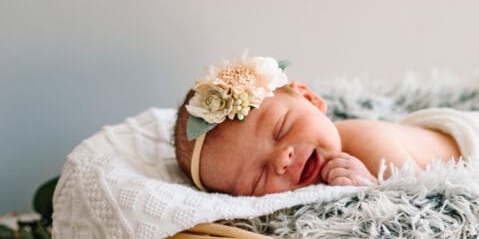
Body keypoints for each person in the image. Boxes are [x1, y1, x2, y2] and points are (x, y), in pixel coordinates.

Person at [173, 55, 461, 195]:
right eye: (258, 178)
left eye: (280, 130)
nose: (281, 160)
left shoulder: (368, 144)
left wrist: (370, 188)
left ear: (310, 99)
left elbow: (425, 200)